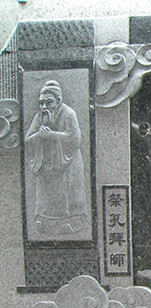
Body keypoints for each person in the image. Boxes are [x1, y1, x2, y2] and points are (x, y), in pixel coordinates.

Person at [25, 80, 89, 236]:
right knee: (46, 196)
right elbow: (28, 140)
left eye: (48, 102)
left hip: (68, 163)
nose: (44, 107)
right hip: (47, 164)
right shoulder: (39, 117)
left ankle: (72, 222)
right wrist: (39, 135)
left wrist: (52, 135)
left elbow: (75, 139)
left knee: (68, 194)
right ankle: (44, 222)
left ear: (58, 101)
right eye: (41, 103)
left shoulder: (69, 114)